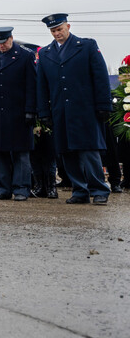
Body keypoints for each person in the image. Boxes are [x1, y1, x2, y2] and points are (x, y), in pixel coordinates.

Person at [36, 13, 111, 204]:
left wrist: (103, 105)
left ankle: (99, 190)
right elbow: (42, 86)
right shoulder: (45, 54)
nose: (56, 33)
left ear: (68, 27)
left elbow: (100, 77)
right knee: (67, 152)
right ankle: (80, 190)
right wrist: (44, 112)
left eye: (59, 29)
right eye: (53, 30)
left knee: (89, 151)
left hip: (85, 109)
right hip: (61, 111)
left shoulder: (86, 46)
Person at [0, 28, 37, 201]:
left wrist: (31, 110)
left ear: (11, 38)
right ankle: (4, 188)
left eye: (4, 42)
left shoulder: (25, 56)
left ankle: (21, 188)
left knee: (21, 152)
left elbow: (32, 86)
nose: (1, 46)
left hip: (19, 112)